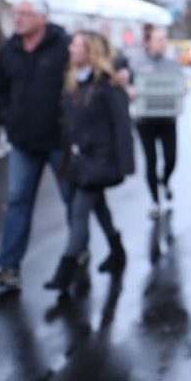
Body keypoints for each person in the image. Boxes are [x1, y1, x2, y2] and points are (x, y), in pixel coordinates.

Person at [0, 0, 70, 290]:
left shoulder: (63, 46)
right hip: (23, 141)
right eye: (15, 14)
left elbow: (95, 65)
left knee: (73, 200)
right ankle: (7, 266)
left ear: (42, 17)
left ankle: (76, 256)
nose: (18, 19)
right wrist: (8, 119)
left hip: (58, 141)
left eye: (24, 14)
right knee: (17, 201)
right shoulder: (9, 49)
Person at [44, 31, 133, 290]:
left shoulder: (108, 85)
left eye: (76, 44)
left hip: (100, 160)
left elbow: (122, 125)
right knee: (98, 207)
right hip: (79, 160)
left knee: (80, 211)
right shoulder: (73, 82)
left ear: (90, 50)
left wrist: (124, 164)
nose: (70, 48)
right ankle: (117, 251)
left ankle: (66, 268)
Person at [130, 27, 184, 219]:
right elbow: (126, 83)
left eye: (164, 40)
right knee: (150, 160)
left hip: (167, 119)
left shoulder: (172, 64)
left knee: (171, 158)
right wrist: (130, 91)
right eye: (158, 40)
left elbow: (181, 87)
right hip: (145, 120)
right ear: (148, 42)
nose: (162, 43)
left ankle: (166, 180)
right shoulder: (136, 63)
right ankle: (155, 201)